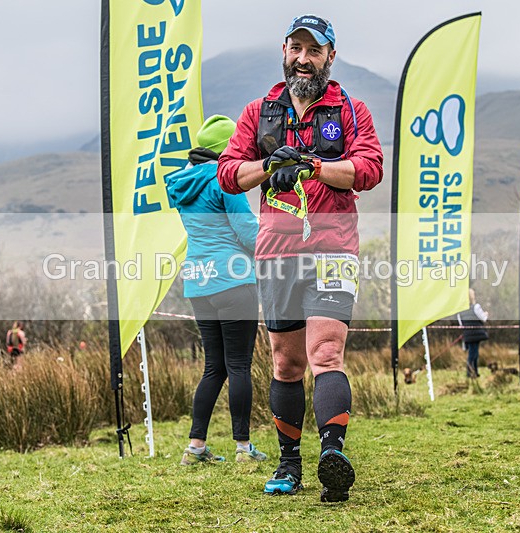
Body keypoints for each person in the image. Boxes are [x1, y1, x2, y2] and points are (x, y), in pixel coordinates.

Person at [217, 15, 383, 502]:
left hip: (333, 246)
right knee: (286, 363)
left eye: (314, 50)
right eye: (296, 48)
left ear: (331, 56)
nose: (303, 59)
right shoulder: (258, 112)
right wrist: (268, 166)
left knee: (326, 353)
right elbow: (228, 173)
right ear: (284, 51)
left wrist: (313, 166)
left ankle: (334, 454)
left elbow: (369, 168)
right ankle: (290, 466)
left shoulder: (351, 109)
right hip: (278, 250)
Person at [165, 114, 267, 465]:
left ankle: (195, 448)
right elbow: (247, 233)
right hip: (234, 280)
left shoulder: (183, 183)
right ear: (227, 148)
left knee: (214, 367)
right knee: (239, 365)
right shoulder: (226, 181)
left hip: (198, 282)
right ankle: (243, 448)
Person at [457, 289, 489, 378]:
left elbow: (461, 324)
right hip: (476, 333)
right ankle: (470, 372)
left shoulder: (460, 311)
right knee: (473, 353)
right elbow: (483, 318)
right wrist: (486, 314)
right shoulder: (476, 307)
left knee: (473, 352)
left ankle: (475, 372)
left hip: (467, 334)